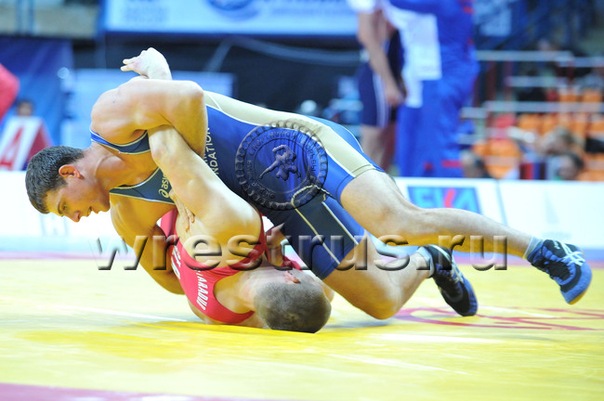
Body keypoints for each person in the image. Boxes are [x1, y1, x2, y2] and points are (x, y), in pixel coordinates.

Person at [26, 49, 590, 321]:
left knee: (397, 220)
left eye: (64, 207)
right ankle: (430, 262)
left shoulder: (111, 118)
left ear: (71, 173)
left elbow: (189, 97)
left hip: (294, 149)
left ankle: (546, 252)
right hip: (277, 209)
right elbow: (172, 283)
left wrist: (192, 167)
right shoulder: (127, 214)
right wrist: (229, 253)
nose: (77, 219)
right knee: (379, 302)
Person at [150, 126, 333, 332]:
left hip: (169, 176)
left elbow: (163, 148)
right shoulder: (226, 318)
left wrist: (176, 187)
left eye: (301, 272)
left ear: (291, 278)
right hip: (164, 227)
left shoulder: (235, 229)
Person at [382, 0, 480, 178]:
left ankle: (449, 189)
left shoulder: (445, 3)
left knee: (440, 140)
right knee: (421, 140)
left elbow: (400, 2)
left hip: (443, 76)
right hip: (437, 75)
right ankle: (416, 183)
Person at [348, 0, 404, 170]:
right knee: (374, 134)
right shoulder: (367, 6)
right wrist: (389, 82)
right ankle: (363, 181)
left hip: (397, 65)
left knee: (390, 135)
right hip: (378, 72)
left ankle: (381, 180)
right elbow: (367, 37)